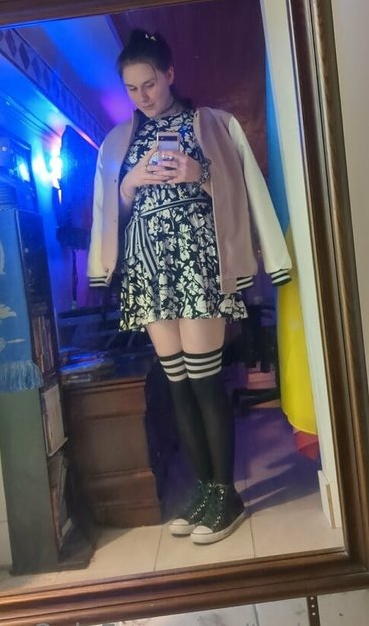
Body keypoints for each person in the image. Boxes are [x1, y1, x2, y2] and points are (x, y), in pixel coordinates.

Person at [88, 29, 291, 544]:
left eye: (150, 84)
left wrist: (199, 173)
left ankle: (227, 494)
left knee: (204, 380)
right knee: (175, 382)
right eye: (132, 88)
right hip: (148, 270)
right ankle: (204, 489)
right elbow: (112, 211)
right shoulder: (119, 141)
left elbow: (241, 190)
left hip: (197, 266)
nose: (142, 96)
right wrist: (130, 183)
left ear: (170, 74)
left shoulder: (212, 124)